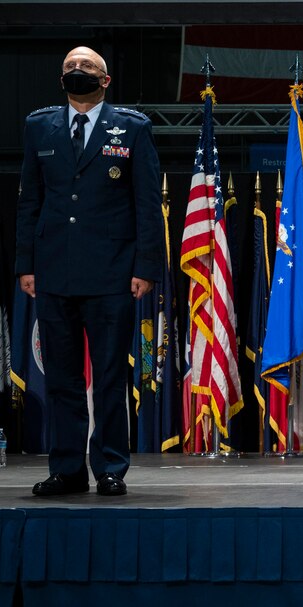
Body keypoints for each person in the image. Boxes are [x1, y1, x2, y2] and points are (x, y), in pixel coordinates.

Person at [17, 46, 162, 497]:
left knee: (108, 378)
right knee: (62, 378)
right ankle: (67, 469)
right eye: (69, 68)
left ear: (106, 79)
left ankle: (109, 468)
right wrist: (26, 264)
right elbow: (29, 201)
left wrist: (146, 267)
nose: (76, 72)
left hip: (113, 274)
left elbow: (146, 204)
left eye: (86, 67)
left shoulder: (133, 128)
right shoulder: (40, 125)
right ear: (61, 80)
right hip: (54, 271)